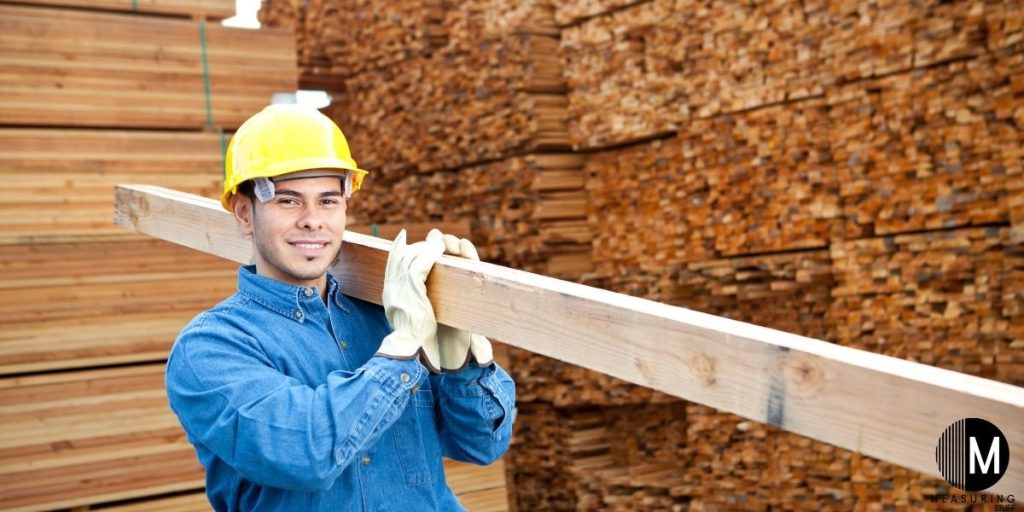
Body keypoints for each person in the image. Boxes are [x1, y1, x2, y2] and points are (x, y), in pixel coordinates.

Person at [165, 104, 516, 511]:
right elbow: (305, 453)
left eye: (328, 201)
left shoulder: (387, 315)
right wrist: (401, 348)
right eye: (288, 201)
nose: (313, 221)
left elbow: (482, 444)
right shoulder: (210, 348)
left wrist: (463, 362)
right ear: (245, 213)